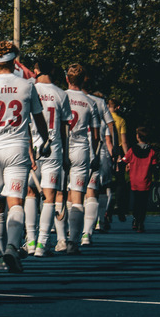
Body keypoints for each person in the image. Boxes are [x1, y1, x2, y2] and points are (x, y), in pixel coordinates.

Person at [0, 41, 51, 272]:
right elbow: (38, 119)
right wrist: (45, 141)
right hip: (17, 148)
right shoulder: (27, 86)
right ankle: (11, 247)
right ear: (14, 60)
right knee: (15, 200)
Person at [30, 58, 72, 257]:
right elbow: (65, 128)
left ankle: (30, 240)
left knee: (29, 194)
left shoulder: (30, 88)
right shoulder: (61, 93)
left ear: (36, 70)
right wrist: (65, 153)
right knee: (49, 197)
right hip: (53, 148)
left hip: (31, 147)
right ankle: (42, 244)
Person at [63, 63, 101, 255]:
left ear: (67, 79)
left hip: (62, 148)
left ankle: (60, 238)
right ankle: (73, 241)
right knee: (78, 195)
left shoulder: (61, 96)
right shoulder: (90, 102)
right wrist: (95, 155)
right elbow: (95, 135)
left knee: (57, 195)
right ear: (83, 79)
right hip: (81, 149)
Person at [84, 90, 116, 243]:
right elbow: (108, 141)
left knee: (79, 191)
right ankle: (98, 222)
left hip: (82, 151)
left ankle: (78, 226)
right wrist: (114, 156)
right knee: (100, 188)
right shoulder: (103, 122)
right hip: (100, 154)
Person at [125, 126, 158, 232]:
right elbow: (154, 167)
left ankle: (135, 219)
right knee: (143, 203)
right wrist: (156, 177)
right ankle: (140, 223)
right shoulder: (152, 151)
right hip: (146, 181)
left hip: (134, 181)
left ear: (138, 137)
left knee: (136, 201)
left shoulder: (132, 150)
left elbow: (124, 161)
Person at [107, 98, 131, 223]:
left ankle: (107, 210)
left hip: (105, 150)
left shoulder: (103, 117)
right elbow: (124, 141)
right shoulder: (121, 120)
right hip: (118, 151)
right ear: (117, 107)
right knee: (120, 181)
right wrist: (128, 158)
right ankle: (120, 208)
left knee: (107, 182)